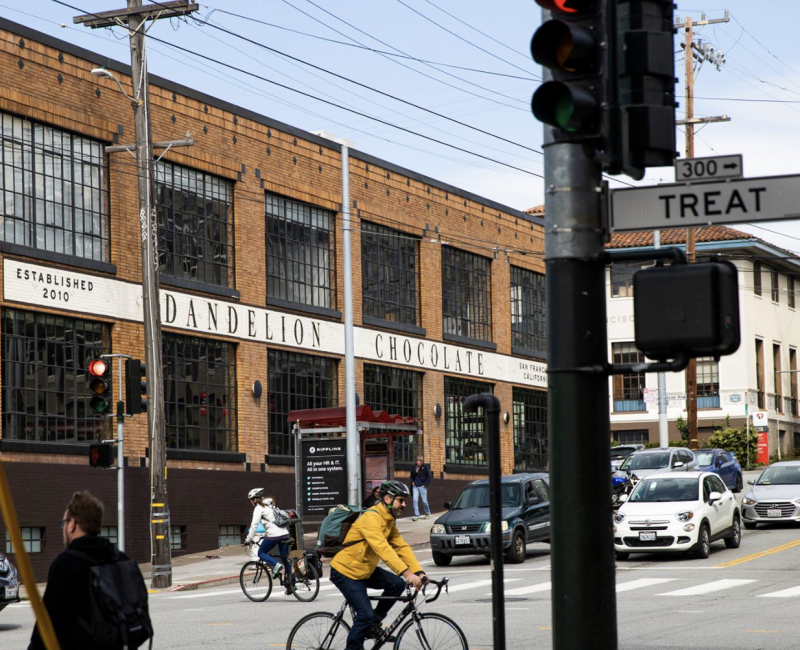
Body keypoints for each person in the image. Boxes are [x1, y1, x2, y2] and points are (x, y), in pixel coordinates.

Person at [29, 490, 131, 650]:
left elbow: (47, 624)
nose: (63, 528)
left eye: (63, 523)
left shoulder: (66, 564)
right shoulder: (120, 559)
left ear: (72, 524)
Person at [330, 481, 425, 650]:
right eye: (401, 500)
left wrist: (419, 572)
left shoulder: (388, 520)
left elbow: (401, 546)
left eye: (404, 501)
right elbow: (382, 548)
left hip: (364, 569)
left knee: (397, 585)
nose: (404, 504)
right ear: (388, 499)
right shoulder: (371, 517)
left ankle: (373, 624)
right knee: (364, 615)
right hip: (346, 571)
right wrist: (407, 573)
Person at [244, 489, 292, 594]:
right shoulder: (271, 505)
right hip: (285, 534)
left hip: (274, 535)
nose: (251, 501)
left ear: (255, 499)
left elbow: (254, 526)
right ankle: (291, 585)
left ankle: (275, 565)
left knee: (261, 553)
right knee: (284, 559)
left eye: (251, 499)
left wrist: (248, 539)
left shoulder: (258, 508)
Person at [409, 455, 432, 521]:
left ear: (422, 461)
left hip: (422, 486)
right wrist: (412, 482)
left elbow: (429, 477)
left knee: (424, 501)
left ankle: (427, 513)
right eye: (417, 460)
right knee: (415, 500)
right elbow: (411, 476)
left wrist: (425, 485)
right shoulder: (413, 467)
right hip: (415, 486)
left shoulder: (425, 467)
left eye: (419, 461)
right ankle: (417, 515)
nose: (418, 462)